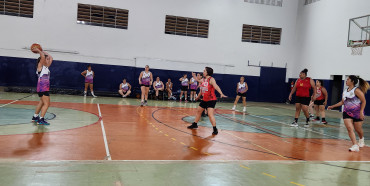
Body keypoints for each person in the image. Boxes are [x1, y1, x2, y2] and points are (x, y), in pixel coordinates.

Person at [328, 75, 369, 152]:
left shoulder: (356, 90)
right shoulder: (345, 91)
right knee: (350, 128)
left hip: (357, 113)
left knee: (358, 129)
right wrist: (332, 106)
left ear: (352, 81)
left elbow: (364, 101)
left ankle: (361, 139)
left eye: (348, 79)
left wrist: (361, 111)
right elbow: (343, 102)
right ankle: (355, 145)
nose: (346, 81)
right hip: (347, 113)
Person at [187, 67, 227, 135]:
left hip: (211, 100)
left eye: (204, 71)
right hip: (205, 99)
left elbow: (216, 86)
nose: (203, 72)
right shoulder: (203, 79)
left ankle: (215, 129)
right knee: (199, 111)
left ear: (207, 72)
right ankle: (195, 124)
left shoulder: (211, 79)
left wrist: (221, 93)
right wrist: (194, 76)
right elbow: (198, 82)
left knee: (210, 114)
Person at [31, 48, 53, 125]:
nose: (48, 60)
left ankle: (35, 117)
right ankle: (41, 119)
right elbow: (43, 57)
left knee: (41, 102)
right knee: (47, 104)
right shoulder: (40, 67)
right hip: (43, 87)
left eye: (47, 59)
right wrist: (39, 51)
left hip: (42, 88)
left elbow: (51, 58)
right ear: (42, 60)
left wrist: (43, 51)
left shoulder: (46, 67)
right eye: (46, 59)